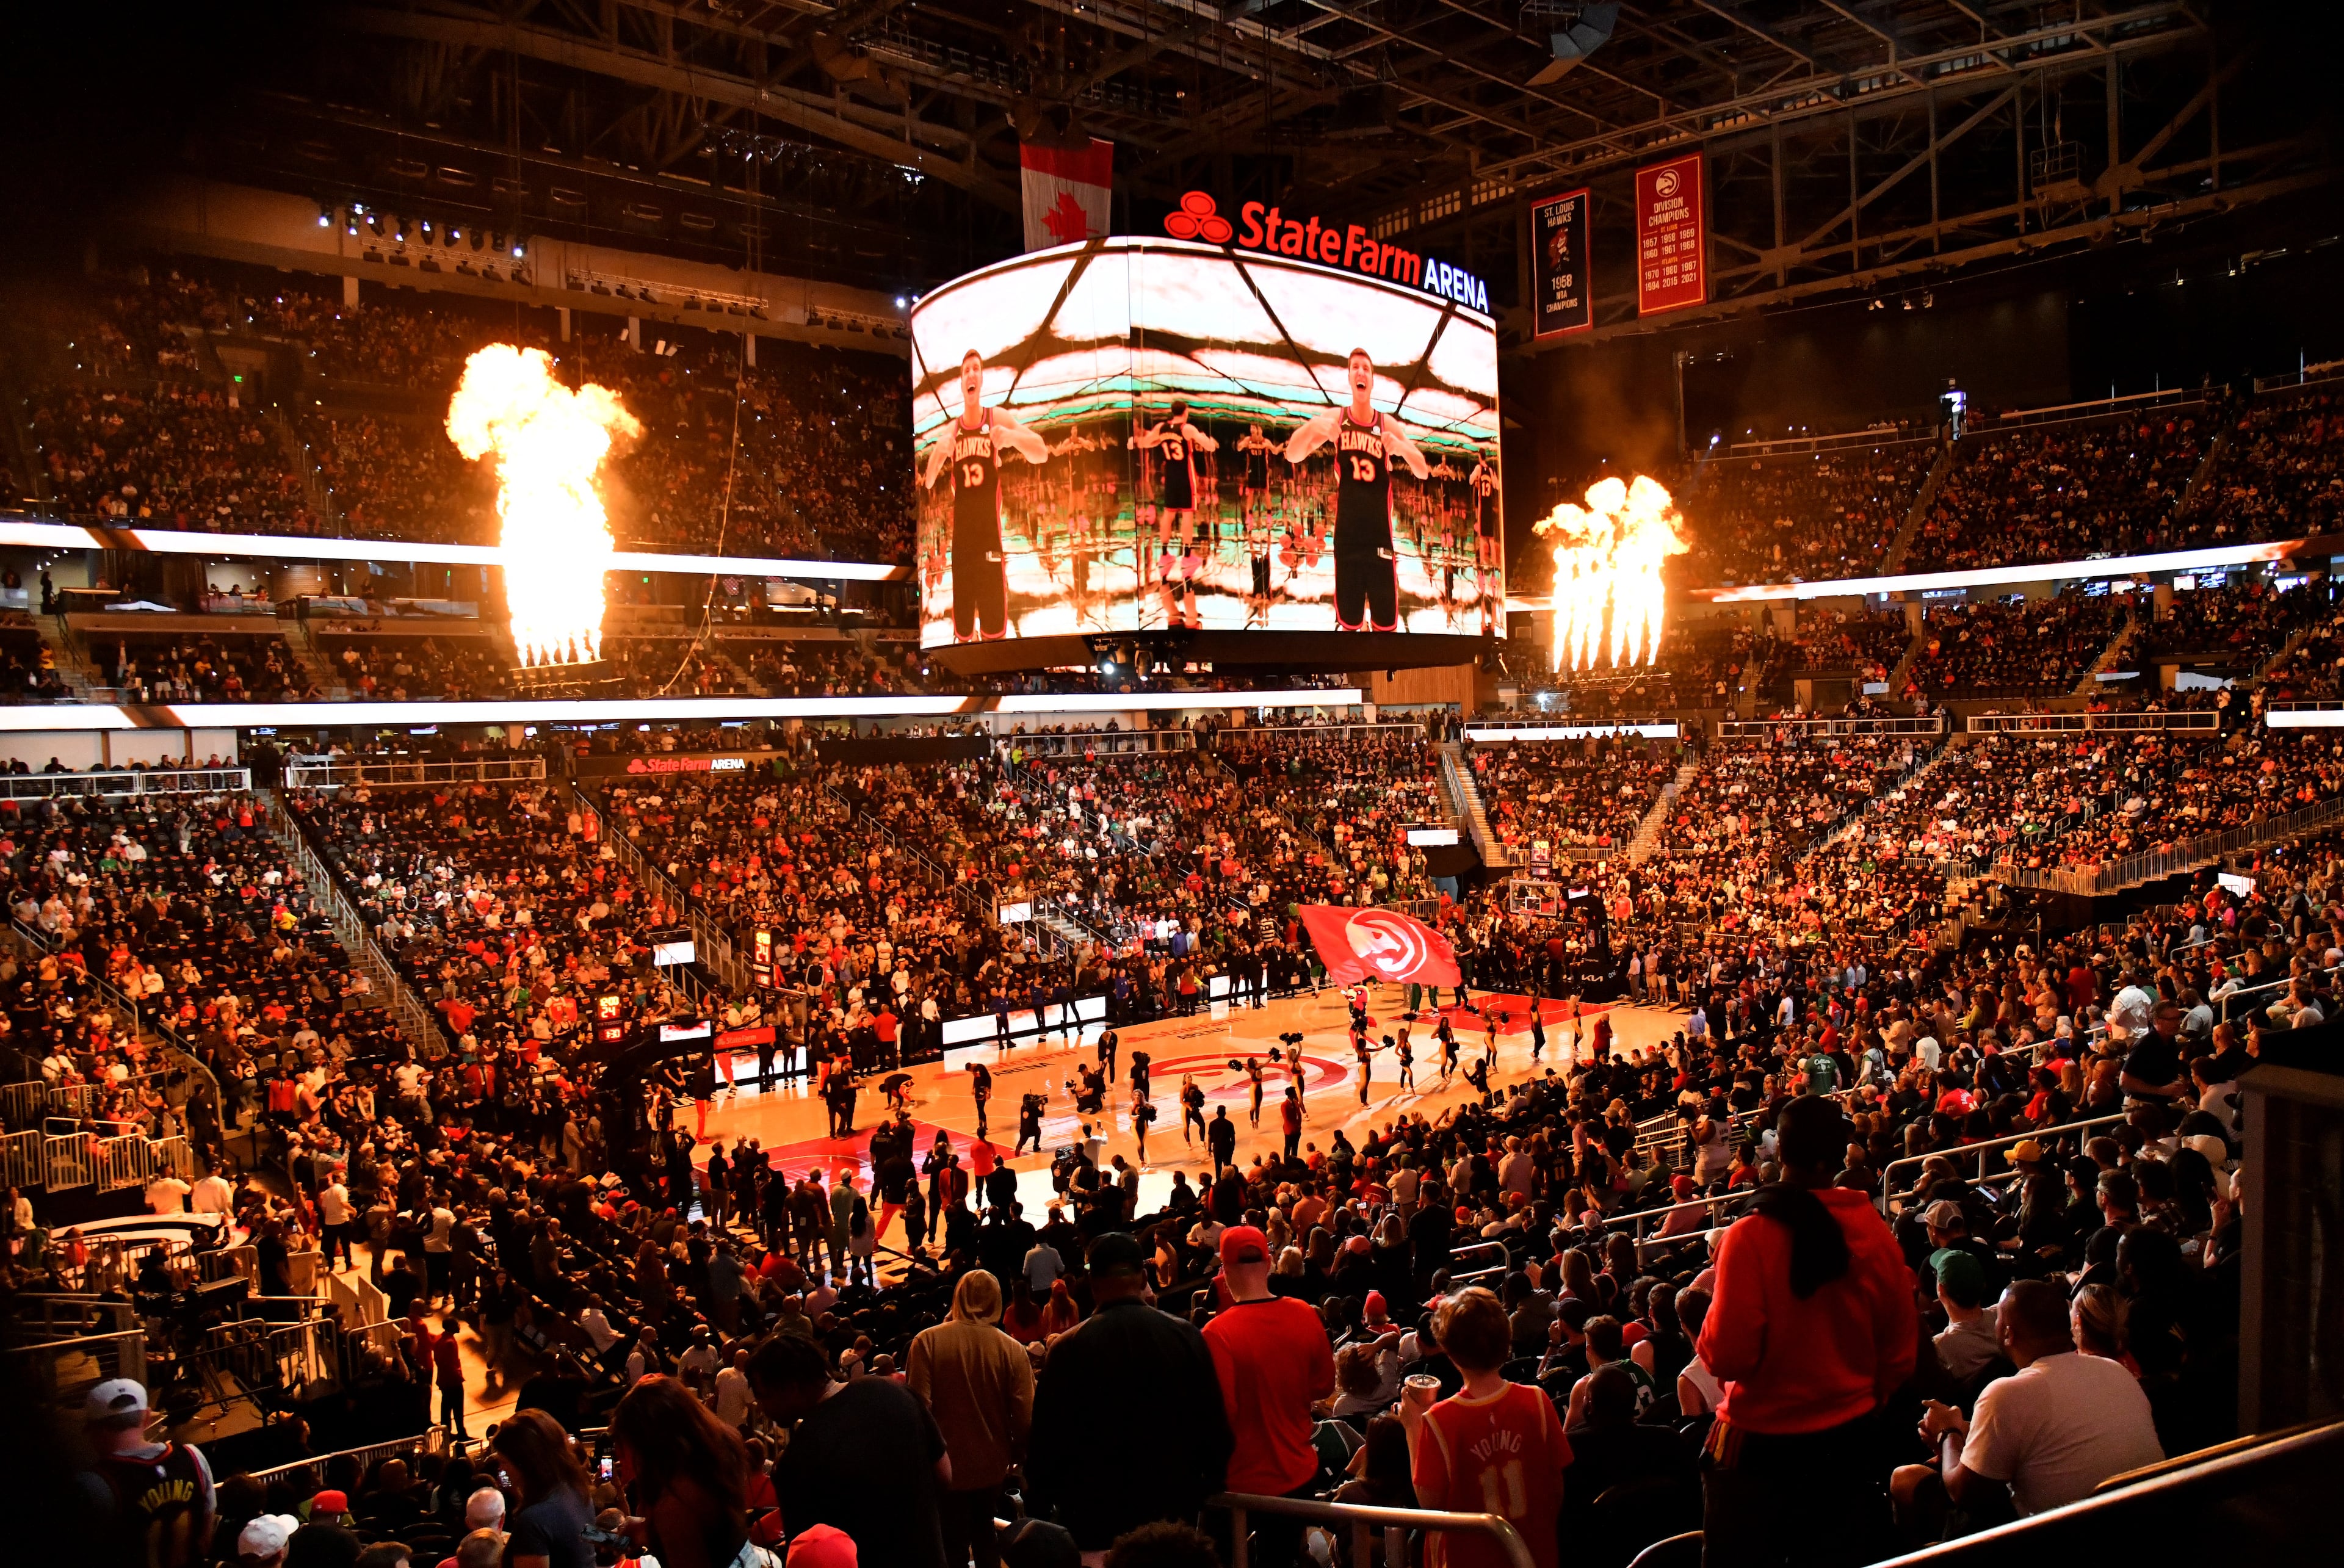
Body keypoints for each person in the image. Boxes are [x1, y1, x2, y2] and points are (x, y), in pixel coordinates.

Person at [1695, 1095, 1917, 1568]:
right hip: (1848, 1441)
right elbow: (1900, 1354)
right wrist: (1854, 1403)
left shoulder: (1749, 1236)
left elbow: (1725, 1355)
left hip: (1756, 1449)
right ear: (1837, 1158)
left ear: (1780, 1152)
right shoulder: (1876, 1233)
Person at [1891, 1280, 2164, 1536]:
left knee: (1909, 1482)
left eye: (1998, 1318)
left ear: (2008, 1333)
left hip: (2065, 1544)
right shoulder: (2116, 1371)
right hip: (2148, 1525)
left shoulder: (2006, 1393)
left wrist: (1947, 1432)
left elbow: (1963, 1493)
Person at [1028, 1233, 1232, 1555]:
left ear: (1092, 1283)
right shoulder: (1186, 1336)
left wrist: (1041, 1510)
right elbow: (1216, 1432)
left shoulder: (1066, 1349)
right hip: (1171, 1521)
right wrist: (1203, 1491)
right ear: (1144, 1277)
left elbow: (1044, 1447)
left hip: (1094, 1525)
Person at [1399, 1288, 1570, 1568]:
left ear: (1450, 1351)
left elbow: (1430, 1504)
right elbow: (1557, 1488)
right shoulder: (1538, 1401)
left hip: (1466, 1558)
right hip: (1532, 1554)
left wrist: (1412, 1426)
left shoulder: (1439, 1419)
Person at [753, 1329, 950, 1567]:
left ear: (791, 1387)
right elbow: (945, 1475)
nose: (761, 1408)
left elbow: (813, 1557)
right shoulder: (895, 1391)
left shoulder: (795, 1463)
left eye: (762, 1396)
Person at [1201, 1225, 1335, 1568]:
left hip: (1239, 1489)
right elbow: (1323, 1387)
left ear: (1224, 1270)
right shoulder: (1305, 1314)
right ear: (1270, 1263)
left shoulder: (1216, 1334)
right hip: (1298, 1476)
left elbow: (1220, 1419)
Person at [1283, 348, 1430, 632]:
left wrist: (1401, 448)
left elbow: (1422, 470)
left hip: (1380, 543)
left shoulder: (1387, 424)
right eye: (1355, 368)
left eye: (1366, 368)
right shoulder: (1336, 419)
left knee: (1385, 628)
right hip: (1348, 542)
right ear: (1350, 378)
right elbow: (1292, 453)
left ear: (1372, 380)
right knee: (1350, 627)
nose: (1361, 372)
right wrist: (1314, 425)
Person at [907, 1270, 1035, 1568]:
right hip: (992, 1466)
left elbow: (919, 1413)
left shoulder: (927, 1342)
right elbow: (1026, 1418)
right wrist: (1016, 1451)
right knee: (985, 1536)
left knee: (950, 1546)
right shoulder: (1013, 1350)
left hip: (943, 1470)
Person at [923, 349, 1049, 641]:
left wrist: (1012, 438)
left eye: (976, 369)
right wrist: (938, 453)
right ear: (961, 381)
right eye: (966, 370)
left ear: (981, 379)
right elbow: (929, 482)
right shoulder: (952, 430)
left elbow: (1041, 452)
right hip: (962, 548)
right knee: (964, 635)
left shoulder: (997, 418)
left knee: (994, 633)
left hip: (991, 543)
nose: (971, 374)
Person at [609, 1374, 759, 1568]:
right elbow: (708, 1534)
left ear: (647, 1442)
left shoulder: (675, 1502)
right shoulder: (717, 1454)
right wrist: (647, 1531)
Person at [77, 1379, 215, 1568]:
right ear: (147, 1417)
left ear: (94, 1428)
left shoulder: (92, 1485)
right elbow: (205, 1540)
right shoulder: (194, 1457)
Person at [491, 1407, 596, 1568]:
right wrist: (621, 1542)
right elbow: (584, 1534)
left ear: (525, 1464)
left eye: (504, 1462)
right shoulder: (577, 1490)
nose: (502, 1470)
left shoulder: (532, 1521)